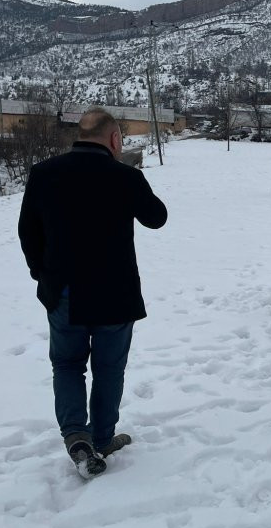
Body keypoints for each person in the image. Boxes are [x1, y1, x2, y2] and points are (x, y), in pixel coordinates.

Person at [18, 108, 167, 478]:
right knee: (108, 369)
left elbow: (27, 232)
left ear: (79, 135)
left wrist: (44, 275)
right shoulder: (125, 177)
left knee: (67, 365)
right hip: (114, 294)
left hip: (63, 291)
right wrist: (132, 178)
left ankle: (76, 437)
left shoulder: (44, 173)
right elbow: (157, 217)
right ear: (114, 139)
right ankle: (101, 438)